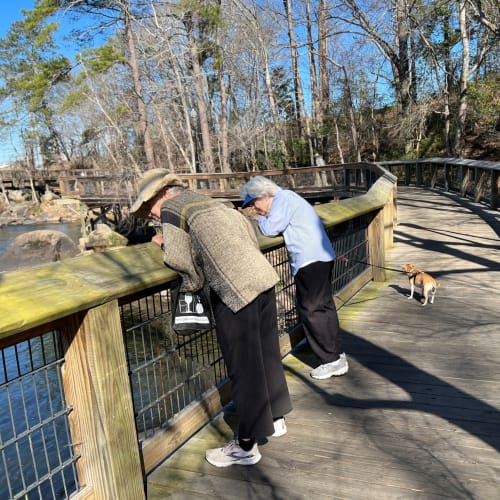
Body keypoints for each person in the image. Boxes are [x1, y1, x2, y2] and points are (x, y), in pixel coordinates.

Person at [130, 169, 292, 467]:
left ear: (161, 194)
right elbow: (248, 234)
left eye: (148, 206)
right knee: (267, 353)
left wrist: (165, 246)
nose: (151, 214)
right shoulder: (211, 202)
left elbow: (180, 260)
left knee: (244, 367)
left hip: (234, 290)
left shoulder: (171, 208)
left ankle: (245, 446)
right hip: (262, 278)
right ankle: (277, 418)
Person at [239, 175, 348, 380]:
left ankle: (330, 360)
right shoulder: (289, 198)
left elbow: (271, 229)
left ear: (264, 195)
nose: (255, 209)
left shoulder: (283, 199)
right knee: (323, 306)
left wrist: (259, 220)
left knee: (312, 309)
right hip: (320, 256)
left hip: (309, 260)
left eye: (254, 203)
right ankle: (336, 354)